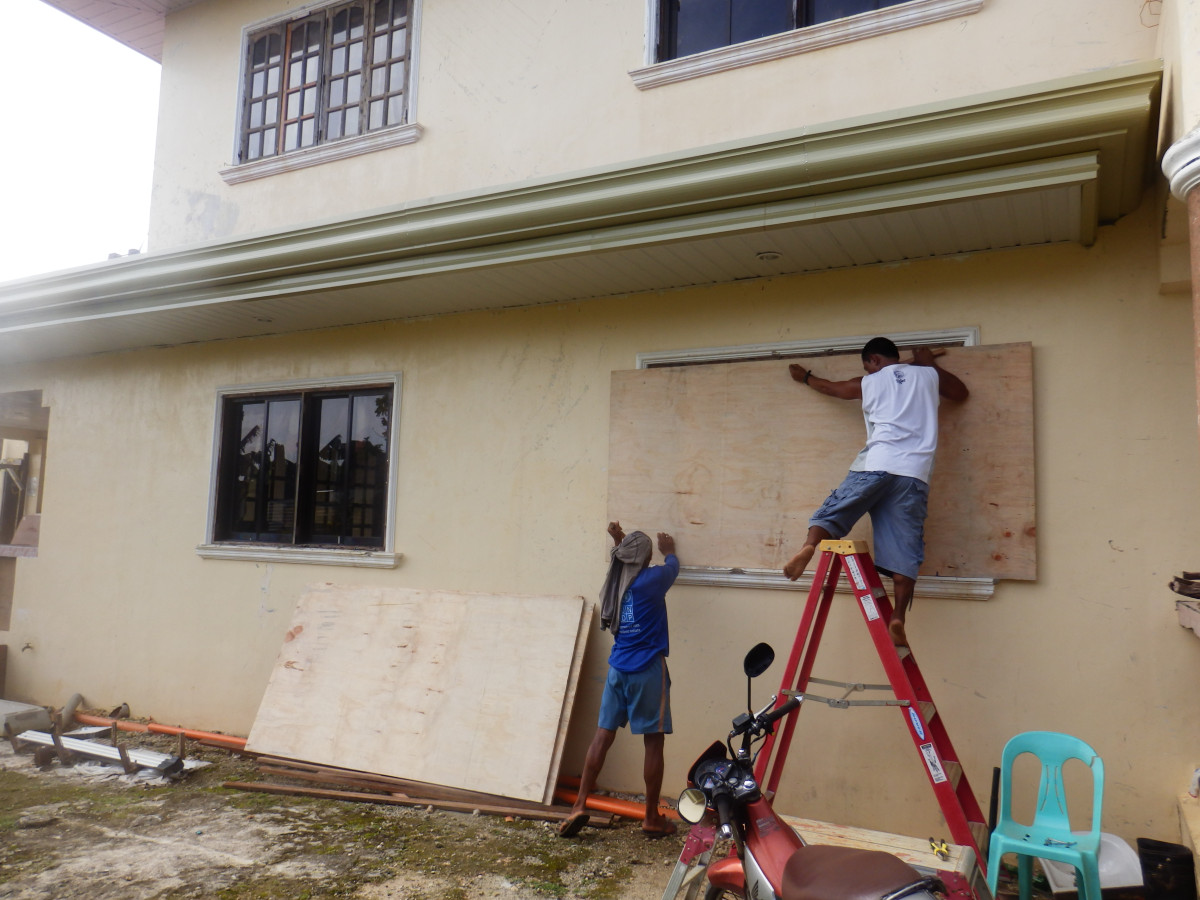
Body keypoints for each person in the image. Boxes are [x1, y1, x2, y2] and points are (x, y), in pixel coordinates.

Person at [782, 338, 968, 646]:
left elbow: (831, 388)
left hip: (877, 463)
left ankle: (809, 547)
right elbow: (961, 394)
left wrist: (805, 377)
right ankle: (898, 616)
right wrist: (930, 364)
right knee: (905, 548)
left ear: (873, 360)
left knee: (836, 508)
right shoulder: (929, 375)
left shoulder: (868, 382)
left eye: (867, 364)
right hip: (913, 475)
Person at [559, 522, 680, 839]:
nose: (653, 558)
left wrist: (617, 539)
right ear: (643, 560)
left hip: (618, 668)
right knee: (653, 741)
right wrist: (669, 552)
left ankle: (579, 805)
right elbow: (672, 567)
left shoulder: (617, 583)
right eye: (649, 554)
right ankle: (651, 818)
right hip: (647, 671)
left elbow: (621, 556)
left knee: (602, 736)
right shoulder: (651, 580)